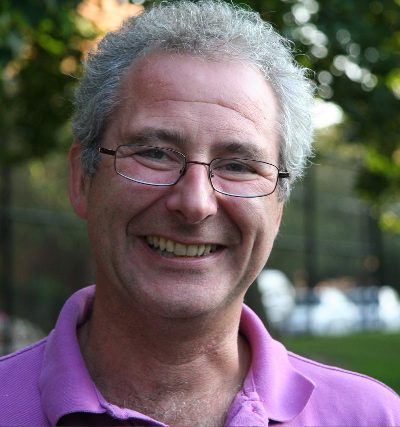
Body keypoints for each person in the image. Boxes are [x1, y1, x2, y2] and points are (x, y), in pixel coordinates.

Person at [1, 1, 399, 425]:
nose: (195, 203)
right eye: (154, 153)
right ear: (83, 179)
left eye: (238, 166)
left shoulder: (373, 417)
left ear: (278, 206)